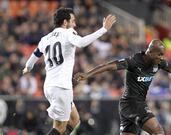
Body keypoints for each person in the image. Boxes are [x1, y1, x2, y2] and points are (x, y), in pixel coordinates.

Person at [22, 7, 116, 135]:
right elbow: (82, 43)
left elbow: (34, 56)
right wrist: (103, 29)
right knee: (59, 127)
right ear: (65, 23)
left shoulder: (45, 38)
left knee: (74, 120)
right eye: (73, 21)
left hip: (50, 86)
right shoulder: (68, 33)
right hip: (61, 88)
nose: (75, 24)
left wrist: (28, 67)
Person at [74, 39, 171, 135]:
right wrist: (88, 74)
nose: (162, 57)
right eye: (159, 54)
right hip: (133, 104)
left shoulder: (158, 63)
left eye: (163, 55)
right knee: (158, 131)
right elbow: (110, 65)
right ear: (150, 52)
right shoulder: (134, 61)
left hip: (129, 106)